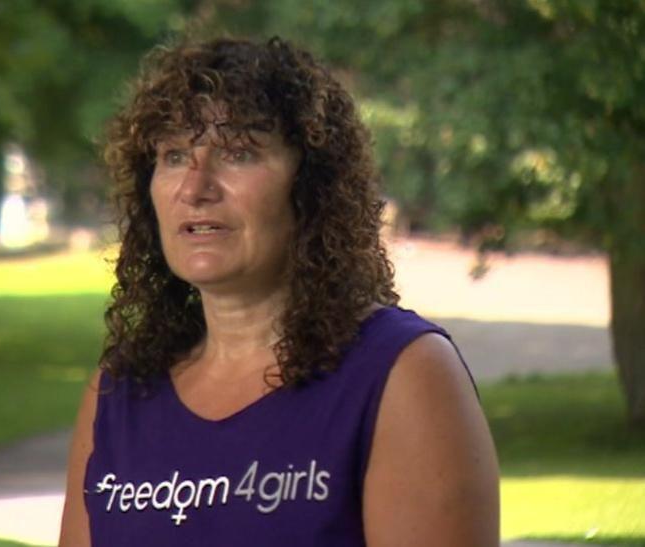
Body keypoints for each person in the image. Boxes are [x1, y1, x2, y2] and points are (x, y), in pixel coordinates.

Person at [59, 36, 499, 546]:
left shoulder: (402, 374)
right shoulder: (119, 393)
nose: (195, 188)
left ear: (311, 186)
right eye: (175, 155)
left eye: (238, 153)